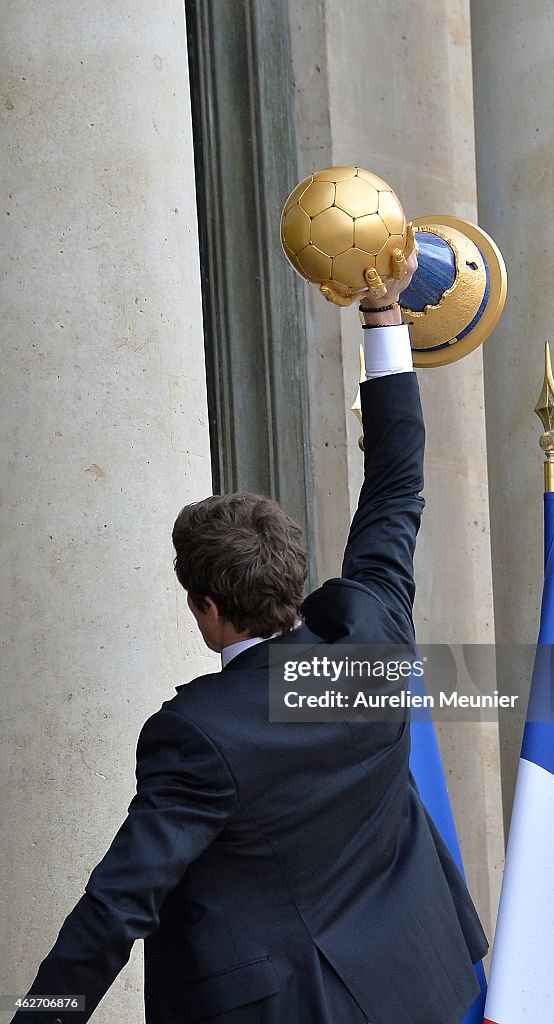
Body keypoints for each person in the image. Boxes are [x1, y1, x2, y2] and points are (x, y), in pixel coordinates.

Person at [12, 250, 487, 1024]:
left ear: (204, 605)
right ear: (291, 574)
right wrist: (382, 317)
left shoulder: (198, 735)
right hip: (416, 985)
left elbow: (115, 907)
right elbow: (397, 482)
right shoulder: (373, 628)